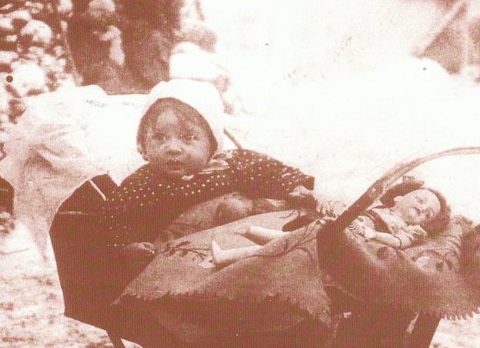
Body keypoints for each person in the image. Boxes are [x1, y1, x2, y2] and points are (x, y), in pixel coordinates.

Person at [97, 80, 318, 258]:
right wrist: (126, 248)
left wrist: (294, 187)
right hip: (184, 261)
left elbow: (272, 171)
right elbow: (113, 220)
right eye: (160, 137)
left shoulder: (230, 164)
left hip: (244, 246)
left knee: (239, 208)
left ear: (212, 144)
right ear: (143, 146)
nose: (172, 148)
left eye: (188, 137)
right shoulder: (141, 184)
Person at [210, 178, 450, 268]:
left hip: (355, 245)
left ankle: (237, 247)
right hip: (340, 230)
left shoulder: (410, 229)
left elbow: (398, 242)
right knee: (294, 239)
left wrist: (374, 235)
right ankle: (249, 235)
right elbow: (348, 209)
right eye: (420, 200)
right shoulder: (379, 207)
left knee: (293, 243)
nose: (421, 209)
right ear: (399, 198)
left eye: (427, 214)